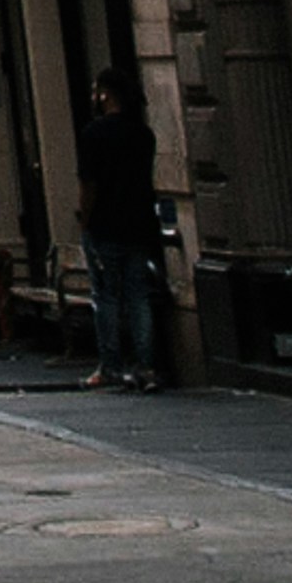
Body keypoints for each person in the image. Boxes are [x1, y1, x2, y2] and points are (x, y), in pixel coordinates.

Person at [75, 72, 169, 392]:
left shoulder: (94, 134)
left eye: (96, 91)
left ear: (105, 95)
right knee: (138, 296)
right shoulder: (143, 134)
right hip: (139, 224)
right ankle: (145, 365)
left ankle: (110, 366)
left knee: (106, 297)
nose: (93, 97)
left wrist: (85, 221)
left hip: (105, 225)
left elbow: (89, 184)